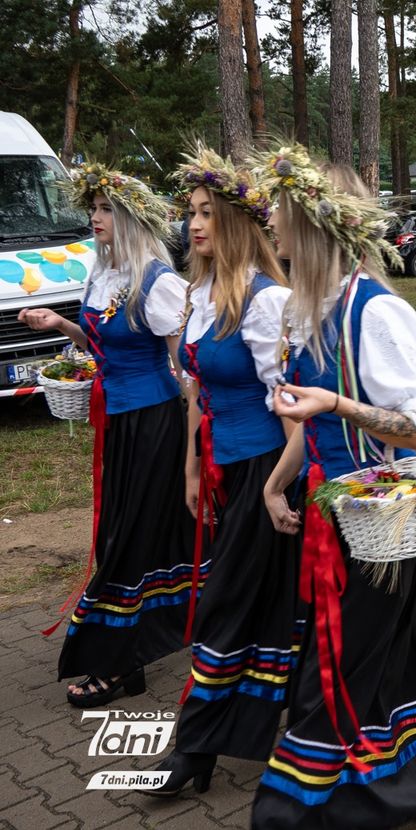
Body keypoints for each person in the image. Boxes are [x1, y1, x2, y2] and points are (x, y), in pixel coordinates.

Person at [251, 146, 416, 827]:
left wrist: (338, 407)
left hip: (384, 517)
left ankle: (325, 798)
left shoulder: (374, 312)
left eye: (279, 218)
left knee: (385, 652)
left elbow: (412, 426)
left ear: (311, 225)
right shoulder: (308, 309)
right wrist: (277, 486)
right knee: (409, 652)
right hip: (338, 515)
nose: (272, 231)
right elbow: (310, 416)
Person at [143, 147, 296, 796]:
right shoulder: (197, 295)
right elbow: (195, 394)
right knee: (261, 611)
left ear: (236, 223)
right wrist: (189, 466)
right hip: (226, 471)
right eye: (191, 213)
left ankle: (194, 752)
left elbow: (293, 410)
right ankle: (278, 734)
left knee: (227, 608)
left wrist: (280, 488)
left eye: (208, 213)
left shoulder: (267, 302)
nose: (194, 224)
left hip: (269, 471)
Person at [19, 164, 193, 708]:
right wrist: (61, 325)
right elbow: (101, 345)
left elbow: (185, 369)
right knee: (128, 533)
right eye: (92, 209)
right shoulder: (101, 273)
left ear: (131, 219)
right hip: (117, 420)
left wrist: (193, 447)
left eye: (105, 210)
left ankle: (120, 661)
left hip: (155, 424)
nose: (94, 218)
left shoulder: (159, 282)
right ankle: (139, 652)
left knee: (129, 539)